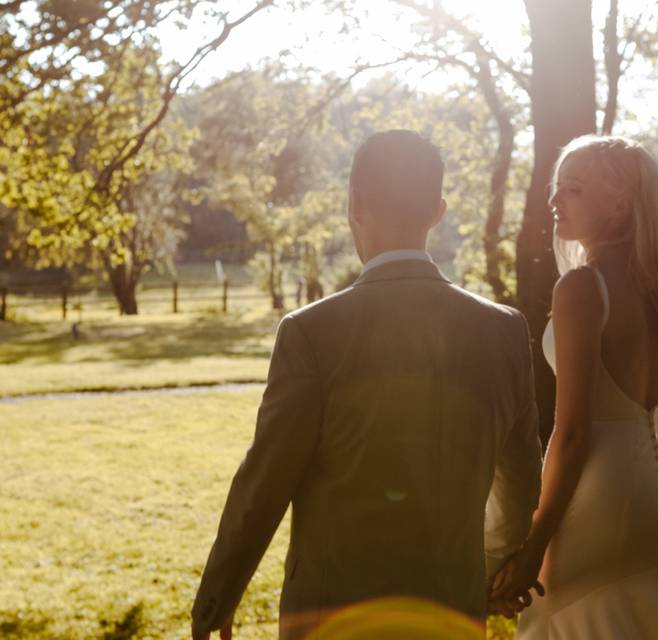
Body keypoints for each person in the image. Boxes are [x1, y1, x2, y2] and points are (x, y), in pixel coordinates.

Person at [191, 129, 542, 640]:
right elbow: (520, 476)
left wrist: (218, 597)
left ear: (354, 205)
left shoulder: (311, 332)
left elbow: (264, 482)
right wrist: (494, 566)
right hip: (451, 607)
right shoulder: (504, 328)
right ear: (438, 211)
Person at [490, 135, 658, 638]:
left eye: (574, 189)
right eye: (556, 189)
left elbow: (575, 431)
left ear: (621, 200)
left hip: (601, 493)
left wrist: (534, 543)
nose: (555, 200)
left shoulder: (582, 287)